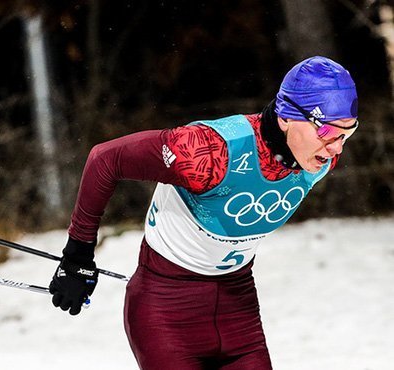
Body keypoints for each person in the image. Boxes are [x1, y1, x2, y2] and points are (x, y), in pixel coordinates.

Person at [48, 56, 359, 369]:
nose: (337, 149)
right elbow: (105, 159)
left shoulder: (317, 160)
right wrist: (78, 255)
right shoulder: (209, 153)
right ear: (286, 118)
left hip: (238, 312)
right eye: (328, 133)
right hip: (166, 311)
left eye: (347, 134)